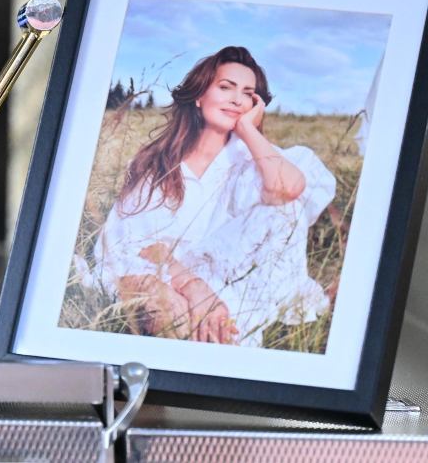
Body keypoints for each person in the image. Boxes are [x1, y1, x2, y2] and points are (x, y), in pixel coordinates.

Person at [91, 46, 337, 347]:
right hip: (159, 274)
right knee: (171, 316)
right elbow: (129, 247)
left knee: (285, 209)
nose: (237, 99)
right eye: (225, 87)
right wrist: (191, 286)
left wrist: (248, 130)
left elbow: (288, 191)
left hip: (228, 280)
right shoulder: (158, 165)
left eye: (248, 94)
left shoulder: (252, 160)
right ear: (199, 96)